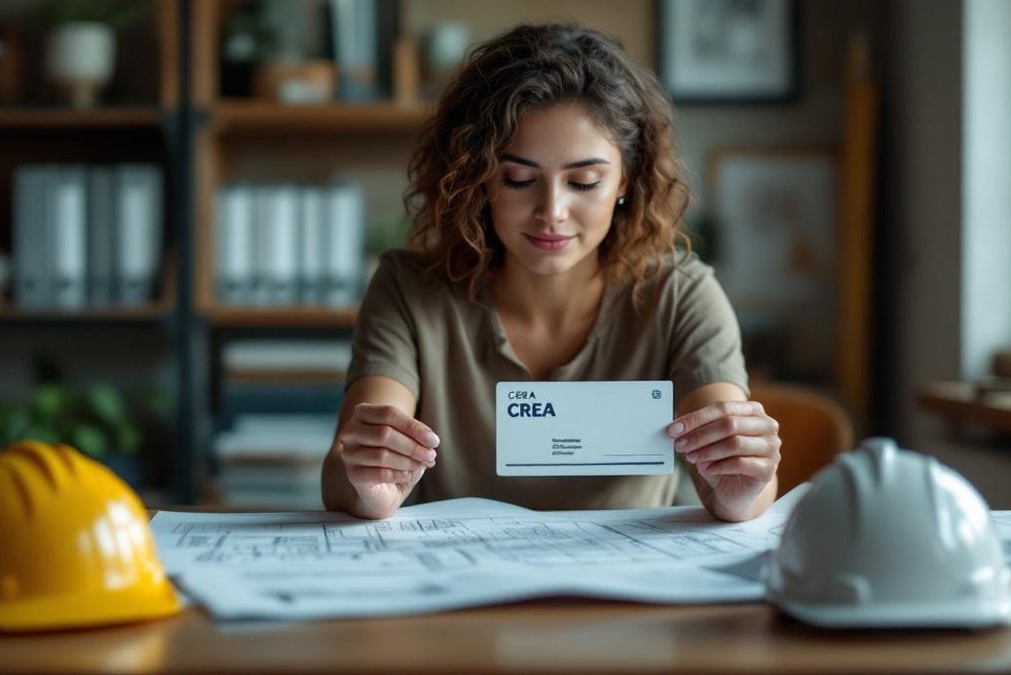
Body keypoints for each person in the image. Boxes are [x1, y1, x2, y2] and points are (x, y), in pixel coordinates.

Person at [322, 24, 781, 521]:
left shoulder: (679, 296)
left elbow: (734, 480)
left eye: (584, 182)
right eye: (519, 179)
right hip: (461, 583)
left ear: (626, 178)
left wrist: (739, 487)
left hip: (624, 586)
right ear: (477, 179)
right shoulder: (409, 289)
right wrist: (369, 484)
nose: (552, 211)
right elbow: (344, 471)